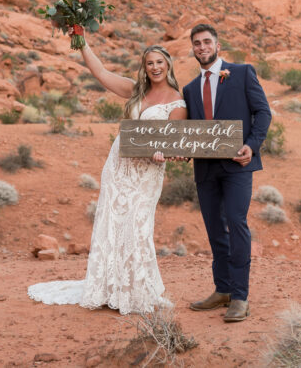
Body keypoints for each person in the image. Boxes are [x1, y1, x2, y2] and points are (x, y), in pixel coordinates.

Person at [28, 35, 187, 315]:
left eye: (159, 62)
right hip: (119, 167)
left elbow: (172, 142)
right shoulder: (137, 91)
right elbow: (100, 73)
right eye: (149, 63)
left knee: (137, 227)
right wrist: (82, 41)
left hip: (147, 172)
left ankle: (135, 291)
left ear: (168, 65)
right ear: (144, 67)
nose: (154, 67)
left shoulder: (178, 102)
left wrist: (163, 152)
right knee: (112, 223)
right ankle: (108, 288)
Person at [183, 23, 271, 322]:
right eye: (197, 43)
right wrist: (182, 148)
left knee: (236, 223)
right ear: (193, 48)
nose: (202, 47)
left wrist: (252, 145)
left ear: (217, 45)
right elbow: (190, 131)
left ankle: (240, 296)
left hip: (237, 165)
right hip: (206, 168)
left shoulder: (243, 73)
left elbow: (263, 112)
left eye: (207, 42)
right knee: (214, 229)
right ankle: (222, 289)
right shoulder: (190, 89)